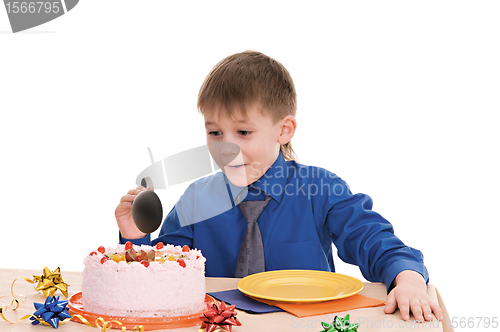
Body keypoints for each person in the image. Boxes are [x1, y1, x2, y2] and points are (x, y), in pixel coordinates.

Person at [115, 50, 443, 322]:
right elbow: (162, 274)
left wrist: (408, 279)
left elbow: (375, 241)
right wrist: (134, 237)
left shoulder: (322, 188)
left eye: (243, 133)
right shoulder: (196, 200)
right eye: (215, 133)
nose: (226, 148)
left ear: (284, 130)